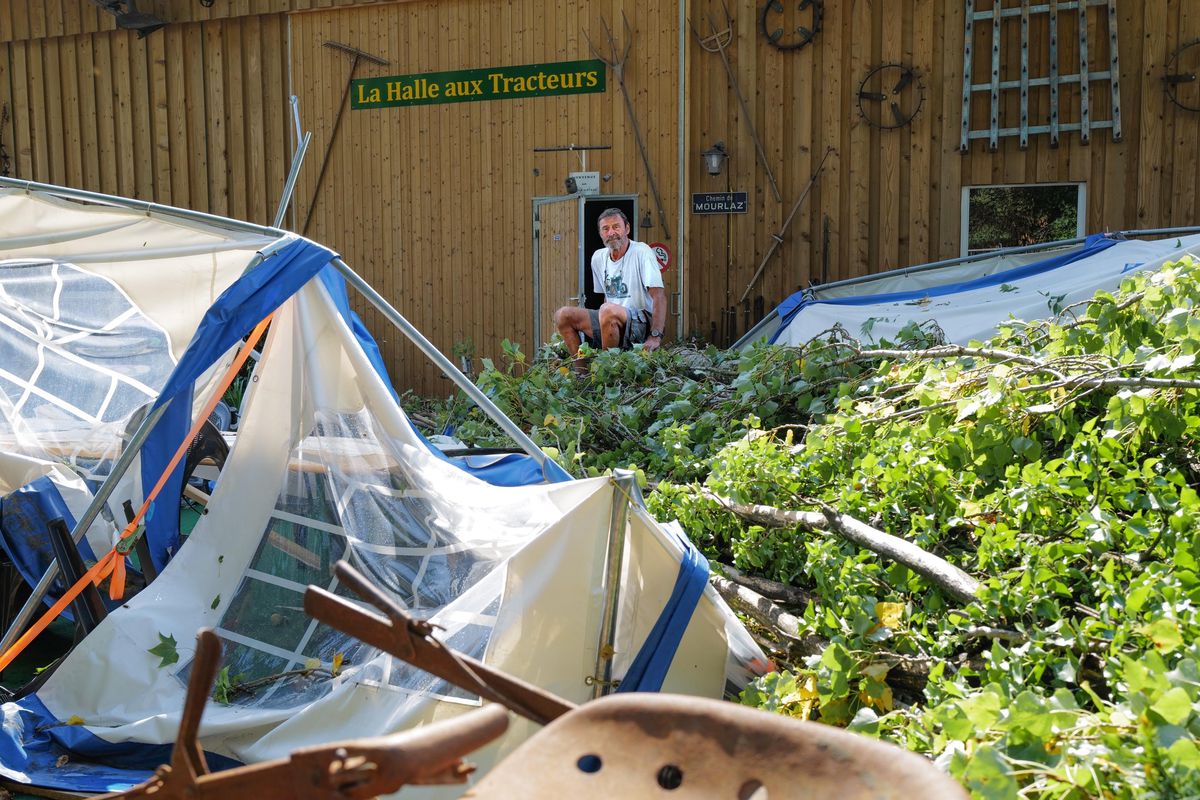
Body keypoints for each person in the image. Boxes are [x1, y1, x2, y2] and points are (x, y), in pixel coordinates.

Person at [554, 208, 666, 359]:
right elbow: (608, 297)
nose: (611, 232)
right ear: (600, 234)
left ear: (627, 229)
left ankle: (606, 367)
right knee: (563, 315)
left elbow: (659, 296)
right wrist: (607, 326)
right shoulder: (598, 258)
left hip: (641, 323)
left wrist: (655, 336)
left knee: (606, 309)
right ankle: (580, 371)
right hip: (612, 318)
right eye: (605, 229)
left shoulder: (642, 252)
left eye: (616, 226)